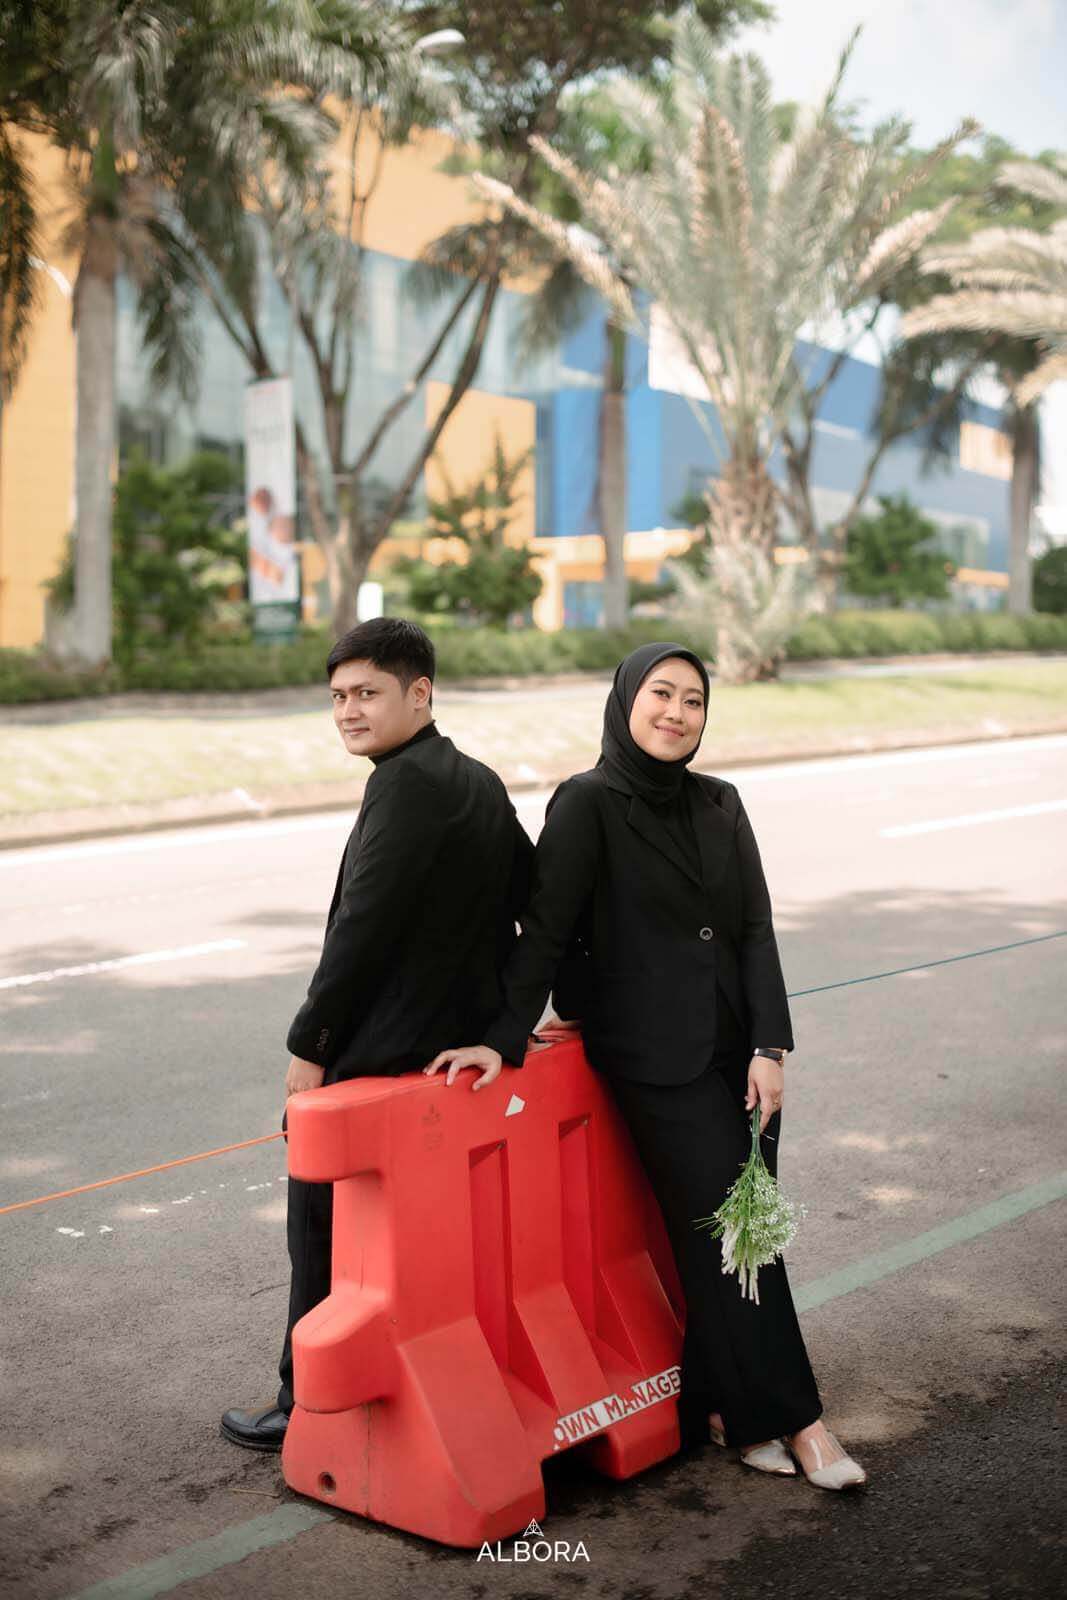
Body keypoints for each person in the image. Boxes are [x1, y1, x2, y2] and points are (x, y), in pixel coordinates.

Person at [428, 642, 867, 1491]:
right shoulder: (588, 802)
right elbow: (546, 928)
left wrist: (770, 1047)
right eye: (660, 694)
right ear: (626, 699)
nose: (676, 712)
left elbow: (752, 929)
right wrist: (502, 1034)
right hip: (655, 1060)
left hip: (738, 1055)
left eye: (692, 700)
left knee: (730, 1237)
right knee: (741, 1232)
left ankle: (724, 1409)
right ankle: (801, 1421)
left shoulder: (720, 801)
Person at [221, 618, 533, 1451]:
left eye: (366, 693)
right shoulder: (476, 780)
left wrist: (310, 1045)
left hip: (376, 1056)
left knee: (323, 1230)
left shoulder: (405, 784)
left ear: (419, 693)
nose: (348, 712)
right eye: (336, 697)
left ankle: (306, 1401)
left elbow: (361, 926)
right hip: (446, 1060)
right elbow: (531, 904)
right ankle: (387, 1386)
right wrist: (509, 1022)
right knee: (415, 1241)